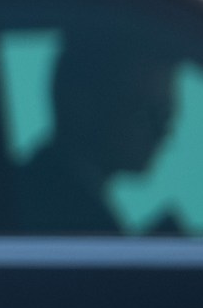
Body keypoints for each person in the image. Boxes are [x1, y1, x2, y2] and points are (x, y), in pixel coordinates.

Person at [11, 32, 181, 235]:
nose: (163, 133)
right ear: (81, 104)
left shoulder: (30, 190)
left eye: (167, 116)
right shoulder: (63, 217)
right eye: (146, 113)